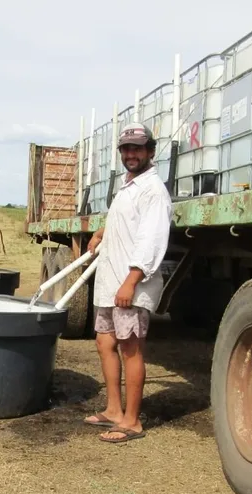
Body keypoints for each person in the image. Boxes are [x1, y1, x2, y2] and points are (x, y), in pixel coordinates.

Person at [83, 121, 172, 443]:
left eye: (137, 148)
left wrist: (131, 281)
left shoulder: (153, 190)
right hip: (112, 282)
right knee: (104, 343)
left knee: (130, 349)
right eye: (126, 149)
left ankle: (132, 422)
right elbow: (126, 222)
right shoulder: (128, 185)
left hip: (130, 284)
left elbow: (151, 240)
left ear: (151, 150)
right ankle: (113, 410)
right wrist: (101, 232)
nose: (131, 154)